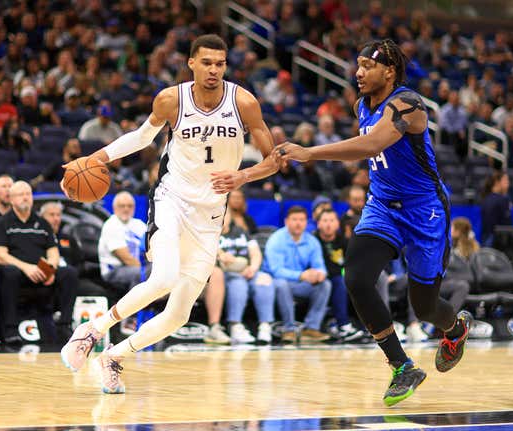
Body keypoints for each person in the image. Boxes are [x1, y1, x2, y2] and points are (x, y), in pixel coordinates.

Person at [60, 34, 279, 394]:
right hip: (171, 199)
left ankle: (114, 356)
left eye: (220, 63)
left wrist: (243, 175)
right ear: (191, 63)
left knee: (178, 315)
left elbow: (273, 159)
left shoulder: (243, 102)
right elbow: (141, 138)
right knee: (162, 278)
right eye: (206, 62)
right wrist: (97, 158)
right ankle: (93, 330)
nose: (213, 70)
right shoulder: (171, 99)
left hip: (210, 213)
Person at [274, 39, 472, 406]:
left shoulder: (409, 104)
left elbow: (372, 146)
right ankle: (402, 366)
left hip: (424, 210)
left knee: (426, 306)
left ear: (389, 72)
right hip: (382, 206)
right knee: (357, 277)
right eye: (358, 65)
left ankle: (455, 328)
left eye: (367, 65)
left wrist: (309, 152)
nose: (359, 72)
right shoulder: (360, 104)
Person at [0, 181, 78, 344]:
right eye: (20, 194)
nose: (25, 198)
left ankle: (64, 325)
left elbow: (54, 253)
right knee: (10, 273)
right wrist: (27, 268)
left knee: (69, 273)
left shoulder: (43, 224)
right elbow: (0, 255)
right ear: (11, 199)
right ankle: (10, 328)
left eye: (28, 194)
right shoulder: (2, 223)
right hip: (18, 271)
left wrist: (50, 269)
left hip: (41, 271)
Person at [264, 206, 331, 343]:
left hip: (299, 283)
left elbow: (320, 267)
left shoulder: (312, 241)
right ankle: (289, 330)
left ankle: (311, 328)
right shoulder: (276, 239)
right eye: (294, 219)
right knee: (282, 284)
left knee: (325, 284)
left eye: (302, 220)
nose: (298, 223)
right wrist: (302, 275)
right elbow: (276, 271)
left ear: (307, 222)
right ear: (286, 221)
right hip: (275, 282)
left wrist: (319, 274)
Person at [217, 210, 274, 344]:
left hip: (248, 270)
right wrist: (221, 255)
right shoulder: (210, 234)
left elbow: (255, 253)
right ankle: (235, 326)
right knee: (238, 283)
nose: (224, 218)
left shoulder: (241, 232)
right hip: (226, 273)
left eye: (226, 214)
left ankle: (265, 326)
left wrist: (253, 268)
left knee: (264, 279)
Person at [314, 208, 364, 341]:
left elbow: (352, 263)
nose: (328, 224)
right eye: (324, 221)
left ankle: (367, 326)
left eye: (331, 220)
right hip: (320, 279)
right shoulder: (314, 240)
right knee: (339, 281)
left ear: (337, 224)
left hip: (340, 277)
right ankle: (343, 324)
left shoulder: (344, 241)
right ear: (318, 223)